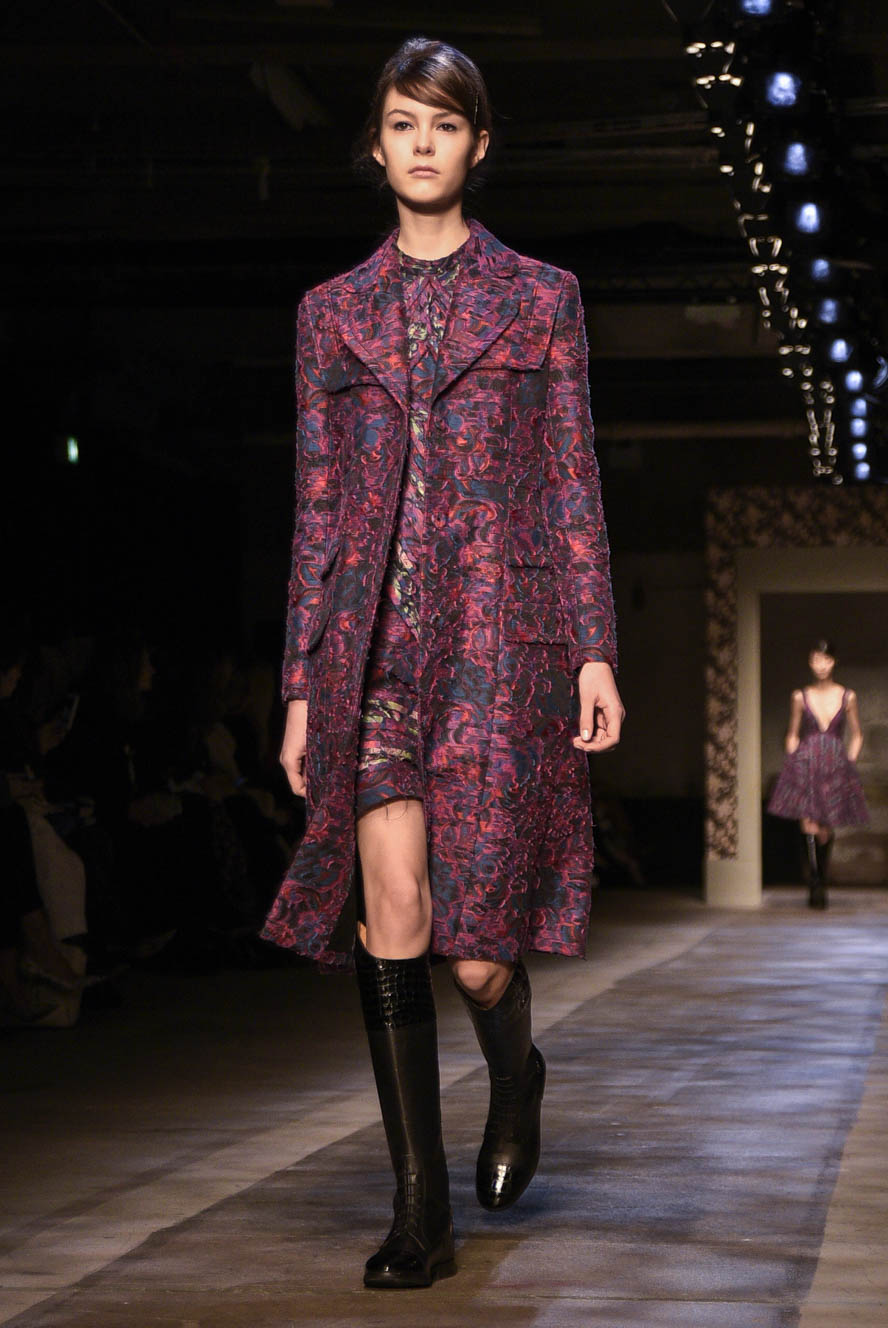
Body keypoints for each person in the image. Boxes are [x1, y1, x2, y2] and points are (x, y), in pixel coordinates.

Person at [261, 36, 624, 1289]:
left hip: (497, 641)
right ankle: (419, 1208)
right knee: (397, 915)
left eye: (447, 123)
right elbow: (316, 508)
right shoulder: (330, 314)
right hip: (370, 650)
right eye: (404, 123)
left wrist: (594, 647)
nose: (424, 144)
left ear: (479, 144)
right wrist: (300, 682)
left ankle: (515, 1073)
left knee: (476, 950)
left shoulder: (542, 297)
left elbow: (572, 476)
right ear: (377, 146)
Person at [767, 639, 868, 909]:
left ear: (833, 662)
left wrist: (849, 762)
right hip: (807, 762)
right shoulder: (800, 696)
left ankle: (821, 877)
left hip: (835, 764)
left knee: (825, 825)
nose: (821, 665)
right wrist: (793, 760)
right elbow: (792, 733)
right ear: (810, 663)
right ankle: (815, 882)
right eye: (815, 660)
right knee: (808, 822)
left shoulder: (848, 696)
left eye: (825, 660)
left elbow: (857, 734)